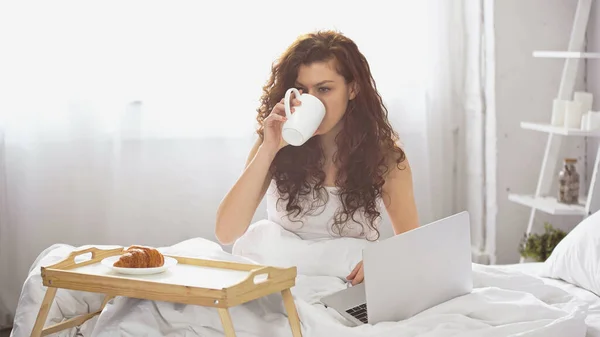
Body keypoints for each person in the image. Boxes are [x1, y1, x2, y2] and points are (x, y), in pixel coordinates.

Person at [216, 30, 419, 285]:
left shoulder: (385, 156)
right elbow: (226, 232)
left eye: (324, 89)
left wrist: (384, 261)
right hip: (283, 280)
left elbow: (411, 244)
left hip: (346, 283)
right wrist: (268, 149)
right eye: (302, 90)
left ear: (353, 88)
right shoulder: (273, 143)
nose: (312, 101)